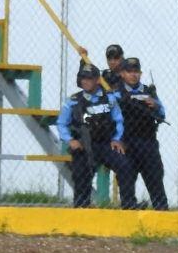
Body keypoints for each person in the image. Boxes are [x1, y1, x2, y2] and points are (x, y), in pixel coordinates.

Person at [56, 63, 132, 209]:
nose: (85, 81)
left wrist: (117, 139)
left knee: (125, 166)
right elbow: (61, 123)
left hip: (105, 144)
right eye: (83, 78)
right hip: (83, 145)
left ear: (97, 80)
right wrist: (70, 140)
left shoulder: (109, 99)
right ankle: (81, 206)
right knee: (81, 173)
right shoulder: (73, 101)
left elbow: (119, 120)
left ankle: (129, 205)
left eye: (89, 78)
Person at [108, 54, 169, 211]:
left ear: (140, 74)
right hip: (127, 143)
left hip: (148, 142)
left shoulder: (149, 92)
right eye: (129, 71)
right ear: (122, 74)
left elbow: (162, 115)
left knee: (155, 178)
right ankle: (129, 209)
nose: (133, 74)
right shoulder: (116, 94)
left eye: (136, 71)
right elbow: (111, 118)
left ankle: (162, 213)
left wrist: (154, 105)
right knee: (126, 179)